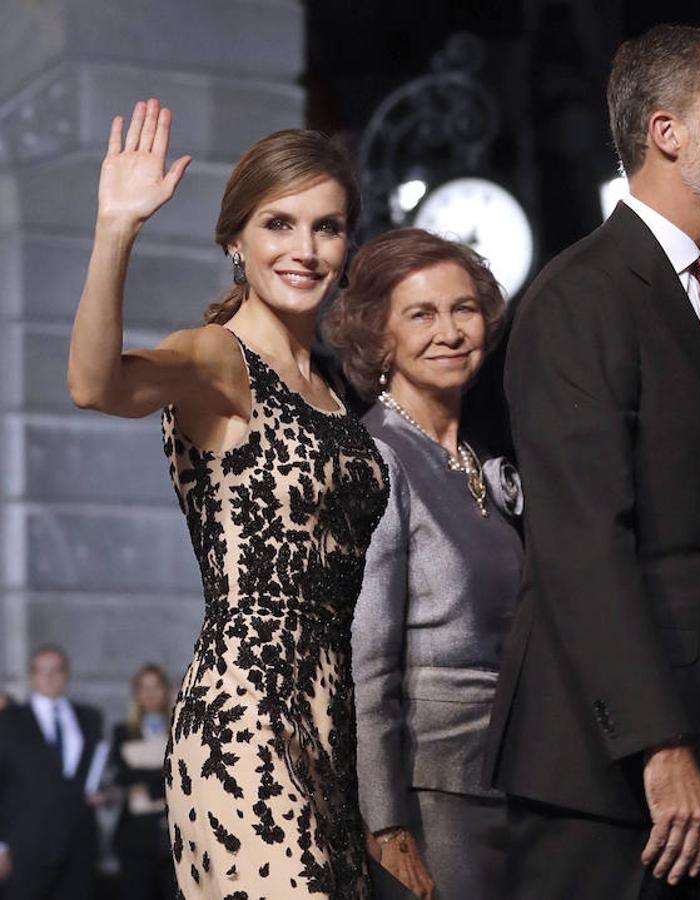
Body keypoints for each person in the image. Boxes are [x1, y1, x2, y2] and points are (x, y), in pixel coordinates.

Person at [484, 24, 700, 899]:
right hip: (610, 766)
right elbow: (581, 541)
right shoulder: (579, 296)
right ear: (666, 132)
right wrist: (657, 746)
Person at [66, 99, 390, 897]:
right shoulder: (218, 358)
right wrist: (116, 230)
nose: (305, 250)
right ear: (235, 241)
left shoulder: (331, 395)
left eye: (328, 227)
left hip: (329, 725)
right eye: (279, 224)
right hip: (243, 725)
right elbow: (93, 383)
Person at [324, 228, 523, 899]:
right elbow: (366, 664)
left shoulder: (473, 460)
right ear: (379, 338)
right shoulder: (375, 457)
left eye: (463, 309)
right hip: (430, 803)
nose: (449, 330)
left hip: (506, 782)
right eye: (422, 313)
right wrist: (385, 826)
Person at [0, 645, 105, 899]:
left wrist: (106, 794)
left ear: (66, 674)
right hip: (26, 846)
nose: (49, 677)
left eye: (55, 670)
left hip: (79, 844)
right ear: (32, 675)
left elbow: (95, 773)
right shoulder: (8, 721)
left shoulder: (90, 717)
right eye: (41, 670)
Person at [109, 665, 176, 900]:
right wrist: (159, 773)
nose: (150, 693)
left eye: (156, 686)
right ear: (136, 693)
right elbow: (122, 775)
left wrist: (141, 768)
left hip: (172, 832)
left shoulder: (179, 728)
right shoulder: (123, 731)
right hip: (135, 835)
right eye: (144, 687)